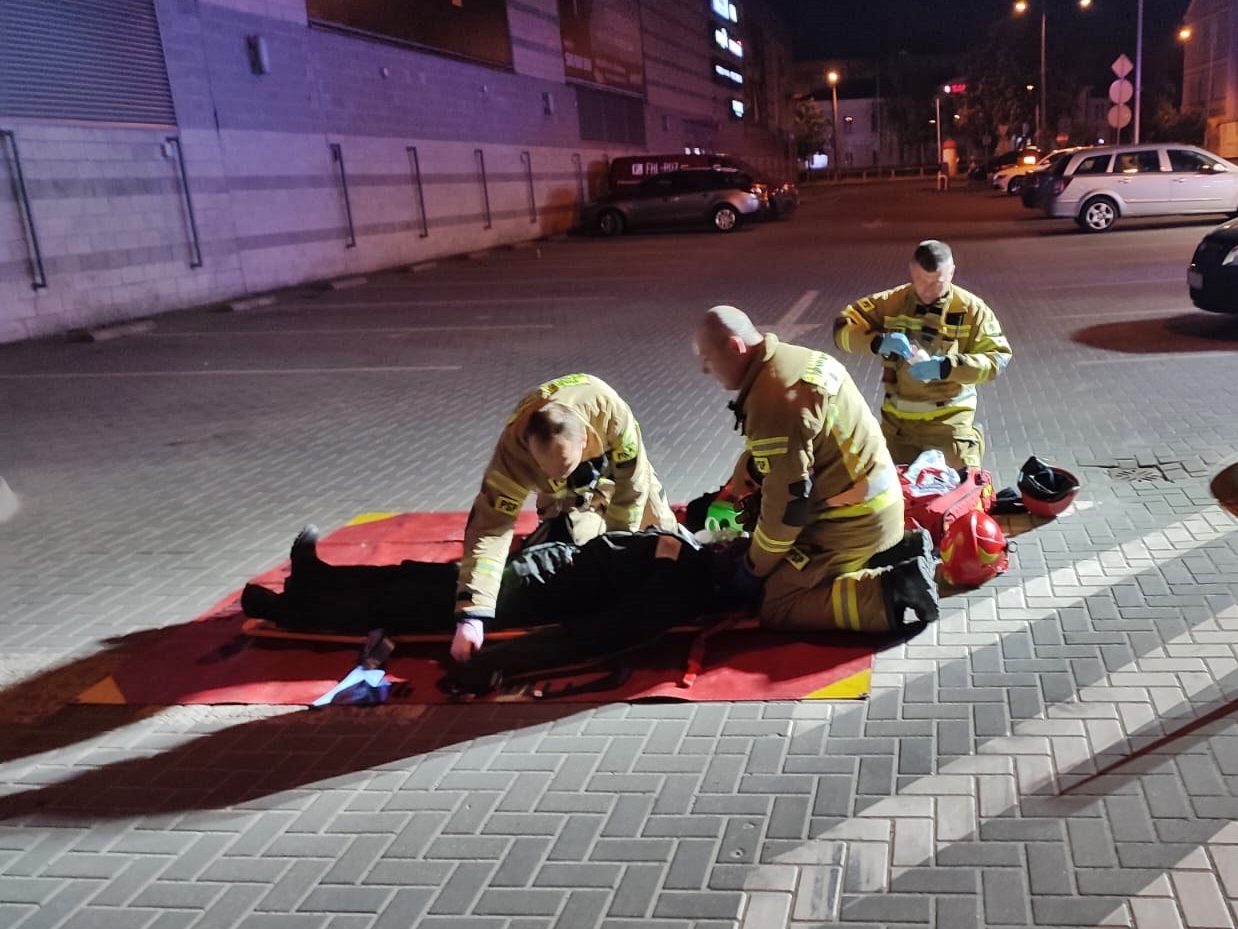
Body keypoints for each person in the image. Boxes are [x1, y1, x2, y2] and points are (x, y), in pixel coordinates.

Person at [694, 305, 939, 634]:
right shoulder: (794, 361)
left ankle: (893, 589)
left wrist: (753, 567)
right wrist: (740, 488)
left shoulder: (773, 398)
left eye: (707, 358)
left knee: (777, 600)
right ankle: (890, 554)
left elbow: (788, 511)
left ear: (735, 347)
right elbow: (781, 456)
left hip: (853, 522)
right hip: (878, 504)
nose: (704, 369)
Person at [452, 373, 680, 662]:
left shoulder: (609, 413)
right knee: (576, 559)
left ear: (584, 438)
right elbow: (489, 529)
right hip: (563, 499)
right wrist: (472, 615)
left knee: (663, 541)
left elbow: (632, 489)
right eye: (549, 468)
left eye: (566, 465)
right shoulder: (512, 456)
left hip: (614, 472)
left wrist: (618, 550)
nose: (561, 473)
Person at [832, 239, 1012, 472]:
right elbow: (843, 328)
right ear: (911, 271)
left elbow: (997, 358)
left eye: (936, 283)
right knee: (894, 491)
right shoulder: (892, 302)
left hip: (948, 425)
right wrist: (877, 342)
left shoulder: (972, 310)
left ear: (951, 272)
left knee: (955, 489)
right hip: (898, 429)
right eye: (920, 280)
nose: (927, 290)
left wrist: (948, 367)